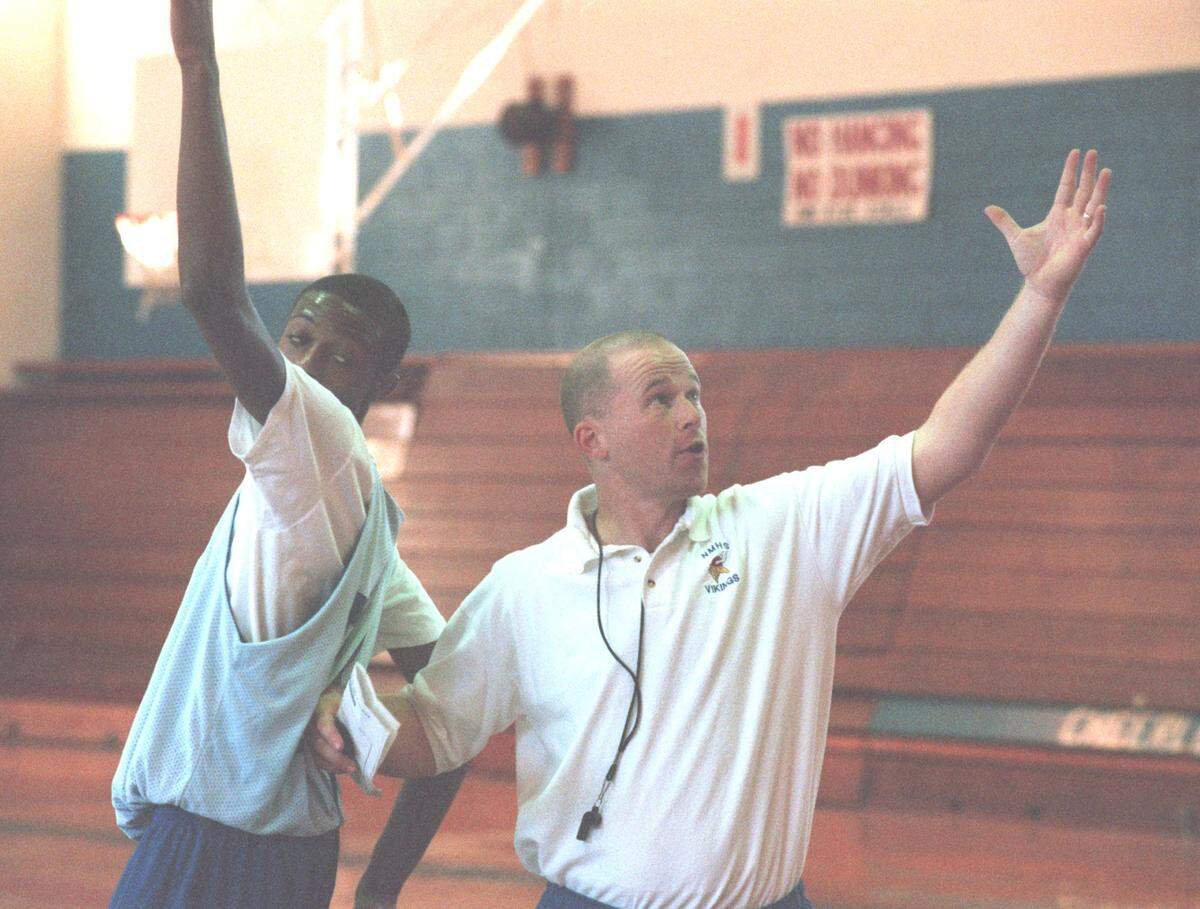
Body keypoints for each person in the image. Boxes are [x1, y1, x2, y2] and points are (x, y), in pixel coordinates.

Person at [312, 153, 1110, 907]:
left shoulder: (786, 529)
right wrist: (334, 712)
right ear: (594, 440)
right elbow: (437, 730)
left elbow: (949, 447)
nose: (691, 414)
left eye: (694, 393)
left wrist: (1040, 298)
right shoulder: (524, 586)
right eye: (661, 398)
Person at [108, 2, 465, 906]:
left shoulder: (322, 443)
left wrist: (198, 63)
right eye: (299, 338)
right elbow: (455, 727)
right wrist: (377, 890)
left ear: (375, 387)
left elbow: (212, 293)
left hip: (219, 846)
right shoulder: (369, 533)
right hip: (295, 858)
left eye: (337, 356)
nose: (303, 365)